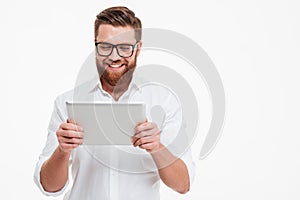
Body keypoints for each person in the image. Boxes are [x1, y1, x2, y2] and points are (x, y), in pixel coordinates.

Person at [34, 6, 195, 200]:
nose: (114, 56)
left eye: (125, 47)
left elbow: (182, 185)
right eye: (105, 46)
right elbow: (50, 187)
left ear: (138, 48)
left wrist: (156, 147)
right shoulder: (67, 103)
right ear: (95, 46)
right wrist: (62, 150)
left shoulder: (164, 101)